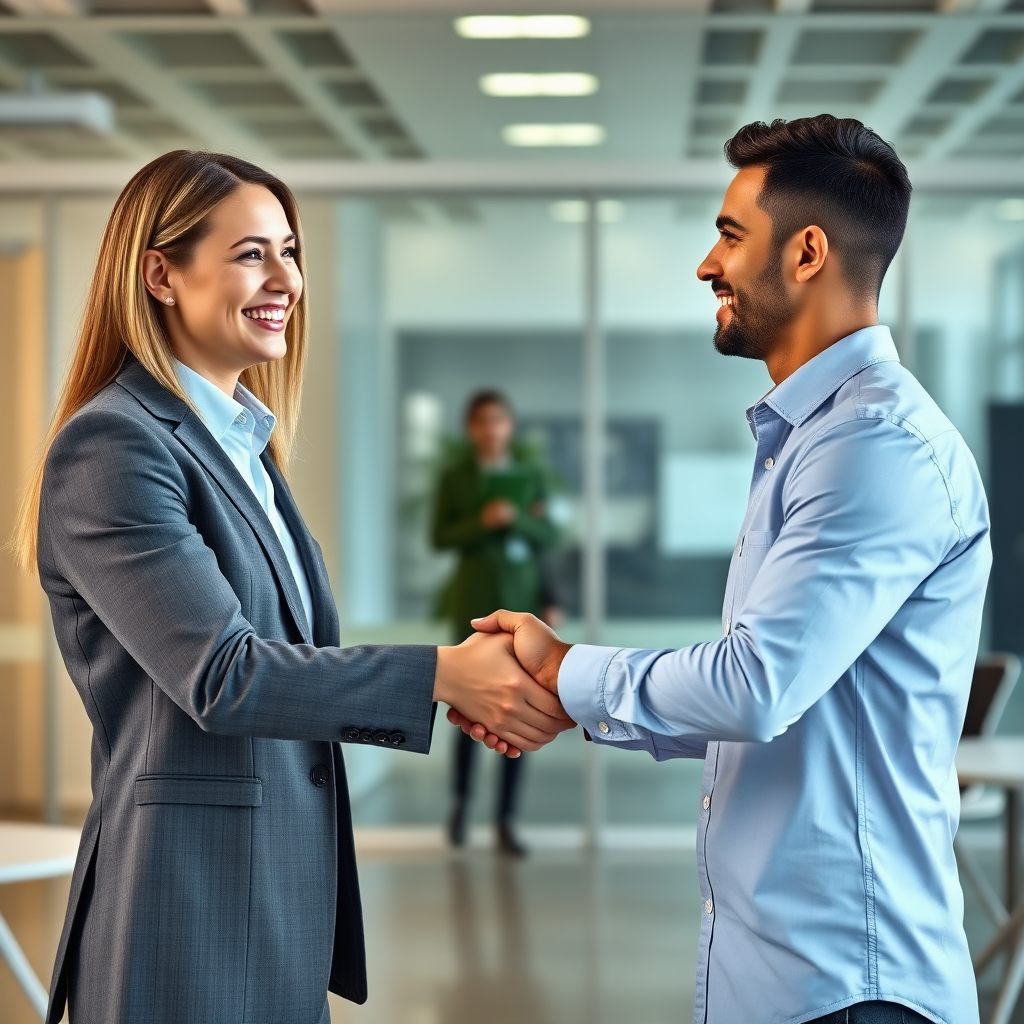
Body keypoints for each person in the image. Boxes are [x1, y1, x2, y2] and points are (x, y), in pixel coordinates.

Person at [452, 115, 990, 1024]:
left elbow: (756, 687)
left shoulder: (874, 448)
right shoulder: (811, 439)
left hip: (851, 990)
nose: (708, 264)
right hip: (787, 978)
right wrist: (575, 692)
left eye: (731, 234)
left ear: (808, 251)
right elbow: (784, 703)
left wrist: (566, 672)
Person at [14, 150, 573, 1024]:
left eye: (291, 251)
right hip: (187, 902)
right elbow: (224, 674)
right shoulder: (115, 447)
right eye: (251, 254)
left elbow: (297, 662)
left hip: (275, 893)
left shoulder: (246, 451)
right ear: (160, 273)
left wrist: (458, 683)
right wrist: (444, 676)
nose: (287, 279)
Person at [432, 390, 560, 856]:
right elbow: (440, 536)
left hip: (523, 606)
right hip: (473, 605)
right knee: (468, 709)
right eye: (482, 422)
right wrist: (481, 522)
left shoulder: (529, 478)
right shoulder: (456, 478)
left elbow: (547, 536)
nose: (492, 430)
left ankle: (506, 820)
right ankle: (462, 807)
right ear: (472, 429)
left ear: (509, 426)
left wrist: (519, 522)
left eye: (499, 421)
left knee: (518, 712)